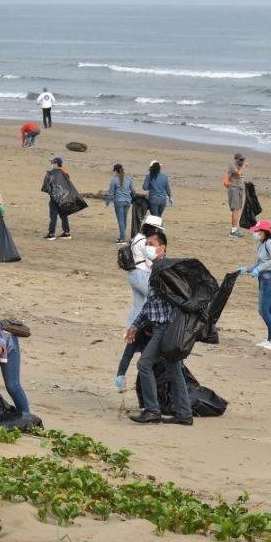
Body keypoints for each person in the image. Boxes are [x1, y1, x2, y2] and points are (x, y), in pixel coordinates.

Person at [126, 231, 193, 425]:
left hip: (166, 327)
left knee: (144, 364)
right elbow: (152, 304)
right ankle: (184, 414)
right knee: (174, 368)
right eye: (146, 243)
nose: (147, 247)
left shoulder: (165, 270)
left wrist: (137, 325)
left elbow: (171, 300)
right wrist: (136, 325)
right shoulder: (158, 269)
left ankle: (152, 410)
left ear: (162, 248)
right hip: (164, 327)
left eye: (151, 243)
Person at [115, 215, 164, 391]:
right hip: (141, 274)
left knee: (138, 304)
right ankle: (139, 329)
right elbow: (153, 257)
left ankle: (131, 328)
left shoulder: (137, 237)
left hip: (133, 274)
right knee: (152, 298)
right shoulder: (145, 241)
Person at [238, 220, 271, 350]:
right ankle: (270, 339)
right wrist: (247, 269)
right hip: (263, 277)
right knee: (269, 310)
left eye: (257, 231)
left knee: (263, 310)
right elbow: (259, 262)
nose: (255, 234)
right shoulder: (262, 244)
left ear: (264, 232)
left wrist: (258, 269)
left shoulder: (270, 243)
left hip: (269, 278)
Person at [42, 157, 72, 240]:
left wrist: (51, 194)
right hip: (64, 197)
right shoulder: (65, 173)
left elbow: (46, 186)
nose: (52, 164)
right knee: (64, 215)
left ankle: (51, 234)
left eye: (52, 163)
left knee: (53, 215)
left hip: (54, 198)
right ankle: (67, 233)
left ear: (55, 164)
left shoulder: (51, 173)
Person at [106, 163, 135, 243]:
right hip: (128, 201)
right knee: (124, 220)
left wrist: (107, 202)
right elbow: (133, 190)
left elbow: (111, 193)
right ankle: (122, 236)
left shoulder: (114, 180)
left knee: (121, 221)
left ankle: (122, 238)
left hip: (118, 202)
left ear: (115, 171)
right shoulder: (128, 178)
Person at [225, 151, 248, 238]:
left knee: (238, 209)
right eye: (240, 159)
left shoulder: (240, 167)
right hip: (234, 189)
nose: (241, 161)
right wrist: (244, 166)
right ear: (236, 159)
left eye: (243, 160)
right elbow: (238, 173)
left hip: (240, 190)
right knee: (235, 209)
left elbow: (240, 178)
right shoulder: (233, 166)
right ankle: (233, 231)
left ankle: (236, 228)